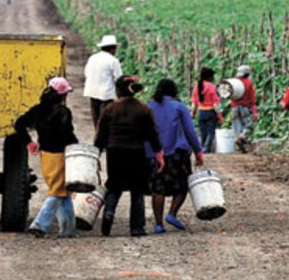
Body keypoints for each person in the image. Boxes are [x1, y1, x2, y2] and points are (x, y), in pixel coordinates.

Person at [94, 76, 164, 237]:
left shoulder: (109, 109)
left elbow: (101, 135)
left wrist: (96, 155)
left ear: (118, 91)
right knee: (137, 189)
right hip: (136, 153)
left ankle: (109, 212)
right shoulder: (144, 109)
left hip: (114, 153)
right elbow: (152, 135)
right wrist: (159, 155)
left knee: (114, 186)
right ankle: (137, 227)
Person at [15, 77, 78, 238]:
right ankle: (40, 224)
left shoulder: (37, 110)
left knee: (63, 191)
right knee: (57, 191)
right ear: (62, 95)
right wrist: (78, 149)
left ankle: (68, 229)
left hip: (45, 155)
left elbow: (19, 124)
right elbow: (68, 135)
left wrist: (29, 142)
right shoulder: (63, 112)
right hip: (60, 155)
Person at [147, 79, 204, 234]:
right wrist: (198, 152)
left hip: (154, 153)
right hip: (177, 153)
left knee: (158, 188)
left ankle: (158, 224)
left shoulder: (149, 107)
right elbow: (190, 132)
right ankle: (172, 214)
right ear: (174, 91)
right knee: (183, 184)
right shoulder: (179, 107)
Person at [84, 35, 123, 127]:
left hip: (92, 91)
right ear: (112, 49)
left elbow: (86, 72)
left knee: (96, 119)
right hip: (106, 94)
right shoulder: (113, 60)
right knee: (106, 121)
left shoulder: (93, 58)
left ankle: (97, 138)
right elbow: (119, 79)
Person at [190, 67, 221, 153]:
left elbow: (194, 103)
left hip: (201, 112)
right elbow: (216, 104)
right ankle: (206, 149)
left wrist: (192, 114)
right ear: (209, 77)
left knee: (203, 132)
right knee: (211, 132)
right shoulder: (211, 87)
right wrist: (219, 116)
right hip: (211, 112)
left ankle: (202, 148)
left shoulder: (197, 87)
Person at [229, 65, 257, 153]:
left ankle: (240, 145)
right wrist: (254, 112)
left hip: (234, 107)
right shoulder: (248, 83)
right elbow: (252, 99)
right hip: (244, 107)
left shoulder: (234, 82)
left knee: (237, 127)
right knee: (248, 125)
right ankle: (243, 137)